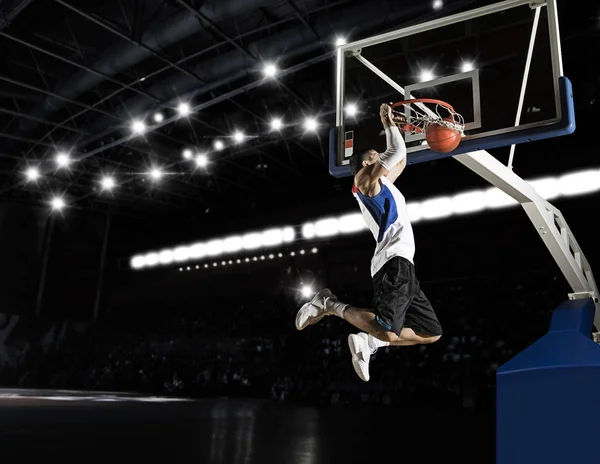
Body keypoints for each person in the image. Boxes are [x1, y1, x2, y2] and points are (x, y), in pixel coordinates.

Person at [295, 103, 442, 382]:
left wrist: (402, 129)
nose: (381, 157)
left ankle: (371, 343)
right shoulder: (363, 180)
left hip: (402, 263)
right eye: (376, 156)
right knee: (387, 327)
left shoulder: (382, 184)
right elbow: (396, 152)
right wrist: (388, 123)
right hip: (392, 262)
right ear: (366, 163)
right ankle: (329, 304)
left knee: (430, 332)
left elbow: (401, 159)